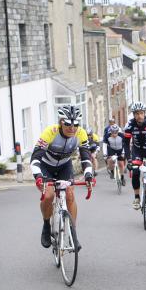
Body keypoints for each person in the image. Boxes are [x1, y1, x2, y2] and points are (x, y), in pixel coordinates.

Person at [30, 105, 93, 251]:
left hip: (65, 166)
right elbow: (35, 158)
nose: (72, 127)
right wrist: (38, 175)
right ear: (60, 122)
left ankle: (72, 233)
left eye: (75, 124)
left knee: (70, 194)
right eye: (67, 123)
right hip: (46, 166)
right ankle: (46, 226)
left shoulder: (81, 134)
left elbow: (85, 157)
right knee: (48, 196)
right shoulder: (50, 132)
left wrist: (88, 174)